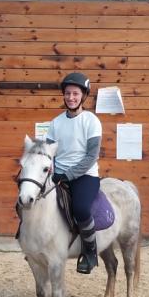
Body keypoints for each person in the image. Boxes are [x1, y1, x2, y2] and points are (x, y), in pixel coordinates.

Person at [46, 72, 102, 275]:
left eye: (75, 94)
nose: (71, 97)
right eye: (68, 93)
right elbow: (49, 151)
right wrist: (51, 168)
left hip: (85, 175)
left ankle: (90, 252)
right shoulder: (56, 123)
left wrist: (68, 175)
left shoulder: (91, 121)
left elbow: (91, 156)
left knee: (80, 208)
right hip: (58, 174)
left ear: (83, 96)